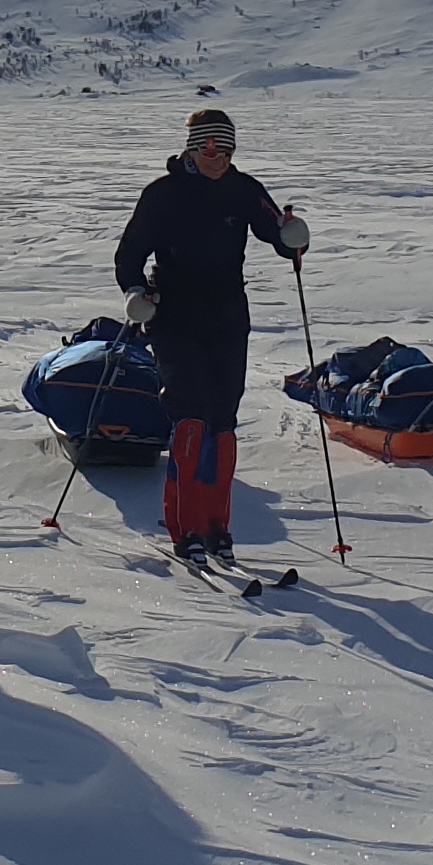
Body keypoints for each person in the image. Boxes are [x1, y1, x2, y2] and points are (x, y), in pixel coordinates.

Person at [112, 106, 309, 565]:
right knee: (192, 415)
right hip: (175, 314)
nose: (216, 157)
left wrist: (293, 238)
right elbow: (129, 255)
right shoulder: (163, 195)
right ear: (192, 148)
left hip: (227, 314)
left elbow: (276, 233)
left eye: (225, 147)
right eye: (207, 147)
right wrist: (136, 291)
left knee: (222, 420)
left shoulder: (243, 190)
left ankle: (218, 527)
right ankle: (186, 528)